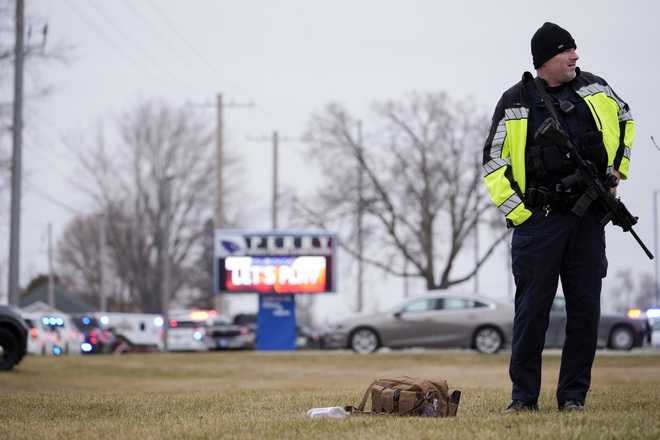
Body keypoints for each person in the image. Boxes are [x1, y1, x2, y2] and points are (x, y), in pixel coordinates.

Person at [482, 22, 634, 413]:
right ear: (546, 59)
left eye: (575, 50)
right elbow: (494, 164)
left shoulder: (596, 88)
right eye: (567, 51)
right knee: (532, 312)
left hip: (587, 221)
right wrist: (522, 216)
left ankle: (573, 397)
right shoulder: (515, 101)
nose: (575, 57)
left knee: (585, 311)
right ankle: (523, 398)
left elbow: (625, 120)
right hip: (540, 223)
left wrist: (617, 171)